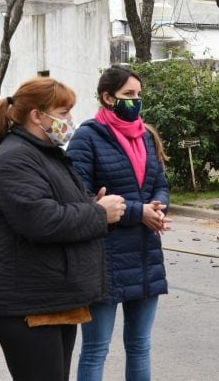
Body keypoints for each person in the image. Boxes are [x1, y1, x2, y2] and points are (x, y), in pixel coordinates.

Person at [0, 77, 127, 381]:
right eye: (64, 111)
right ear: (37, 116)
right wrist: (98, 214)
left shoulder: (44, 152)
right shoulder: (16, 157)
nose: (70, 119)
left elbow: (60, 204)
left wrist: (91, 205)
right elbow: (41, 221)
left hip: (50, 295)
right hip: (26, 302)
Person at [67, 65, 171, 381]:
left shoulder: (147, 135)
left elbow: (161, 182)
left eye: (138, 95)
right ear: (107, 97)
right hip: (104, 257)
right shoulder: (87, 138)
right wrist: (139, 211)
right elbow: (82, 198)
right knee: (96, 349)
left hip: (144, 253)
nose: (135, 101)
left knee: (140, 346)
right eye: (128, 95)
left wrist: (159, 205)